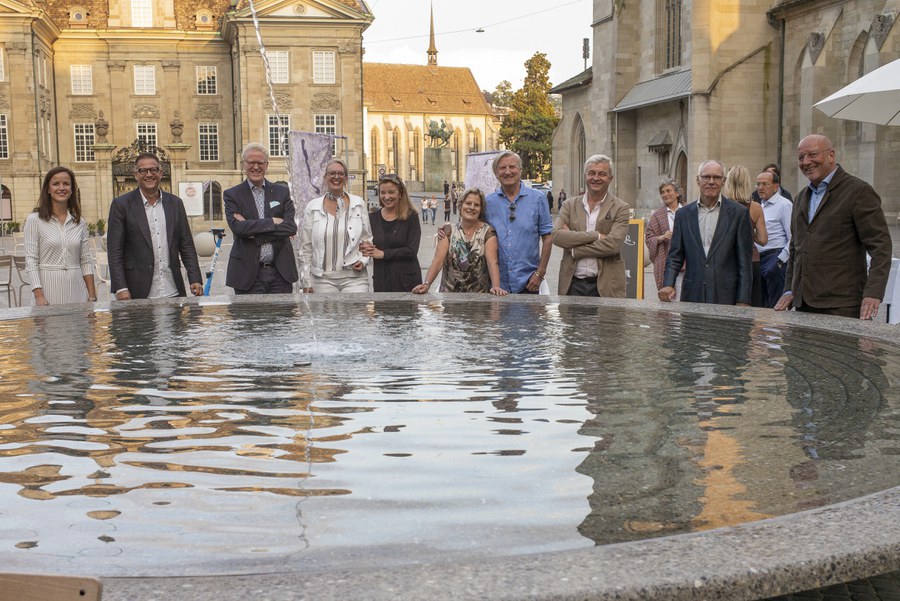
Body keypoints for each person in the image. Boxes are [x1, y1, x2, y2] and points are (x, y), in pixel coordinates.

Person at [775, 134, 892, 320]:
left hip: (842, 305)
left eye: (813, 154)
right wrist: (789, 289)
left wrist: (873, 292)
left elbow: (881, 247)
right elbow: (795, 249)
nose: (806, 162)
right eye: (801, 157)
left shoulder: (858, 191)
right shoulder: (800, 198)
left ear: (831, 155)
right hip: (803, 303)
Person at [107, 153, 203, 300]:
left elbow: (186, 244)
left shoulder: (175, 203)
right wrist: (120, 287)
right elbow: (115, 251)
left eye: (153, 170)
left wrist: (195, 278)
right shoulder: (121, 205)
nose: (149, 174)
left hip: (172, 290)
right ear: (135, 175)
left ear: (160, 173)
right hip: (136, 292)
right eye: (143, 170)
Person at [659, 160, 753, 305]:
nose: (711, 181)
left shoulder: (739, 213)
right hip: (692, 293)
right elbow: (675, 256)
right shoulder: (683, 215)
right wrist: (668, 284)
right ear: (698, 180)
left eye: (716, 177)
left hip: (727, 295)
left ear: (724, 181)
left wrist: (743, 299)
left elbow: (745, 263)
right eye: (706, 177)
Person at [224, 143, 298, 294]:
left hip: (280, 272)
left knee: (282, 317)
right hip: (247, 273)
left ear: (267, 165)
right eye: (251, 162)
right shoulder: (232, 195)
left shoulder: (282, 192)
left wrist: (252, 230)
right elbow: (238, 228)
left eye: (260, 163)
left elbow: (290, 227)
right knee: (250, 317)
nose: (256, 167)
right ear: (243, 164)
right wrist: (272, 222)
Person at [552, 154, 630, 297]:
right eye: (591, 173)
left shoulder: (621, 208)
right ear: (585, 176)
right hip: (572, 284)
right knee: (570, 320)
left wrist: (576, 249)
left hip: (606, 286)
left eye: (602, 174)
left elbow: (613, 245)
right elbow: (556, 236)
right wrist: (596, 236)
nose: (596, 178)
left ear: (610, 179)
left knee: (608, 320)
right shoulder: (569, 205)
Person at [24, 166, 97, 305]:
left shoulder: (79, 222)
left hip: (77, 290)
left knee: (79, 326)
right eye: (56, 183)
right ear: (48, 189)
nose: (61, 187)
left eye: (66, 184)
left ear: (71, 190)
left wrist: (92, 296)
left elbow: (86, 260)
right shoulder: (34, 220)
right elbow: (31, 260)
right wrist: (38, 295)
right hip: (48, 290)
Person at [413, 188, 506, 295]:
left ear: (481, 209)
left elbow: (492, 262)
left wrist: (496, 287)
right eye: (468, 203)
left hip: (479, 300)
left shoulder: (488, 232)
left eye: (476, 205)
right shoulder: (448, 231)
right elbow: (438, 261)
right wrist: (426, 284)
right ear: (460, 205)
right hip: (450, 298)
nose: (471, 207)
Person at [299, 157, 372, 292]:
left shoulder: (358, 204)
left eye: (341, 174)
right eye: (332, 173)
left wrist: (363, 260)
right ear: (325, 177)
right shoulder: (313, 207)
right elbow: (305, 248)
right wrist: (306, 281)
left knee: (357, 313)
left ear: (346, 178)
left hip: (354, 278)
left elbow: (367, 239)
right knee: (325, 313)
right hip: (321, 279)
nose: (336, 177)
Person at [485, 151, 553, 293]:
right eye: (502, 168)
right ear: (496, 173)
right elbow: (473, 228)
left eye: (512, 167)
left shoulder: (538, 199)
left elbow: (547, 238)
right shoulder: (488, 202)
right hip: (496, 283)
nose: (508, 172)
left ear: (520, 171)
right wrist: (447, 228)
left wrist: (540, 274)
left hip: (528, 282)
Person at [361, 174, 422, 292]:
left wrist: (383, 254)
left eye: (391, 192)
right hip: (381, 280)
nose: (386, 196)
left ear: (400, 194)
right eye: (382, 192)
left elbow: (412, 250)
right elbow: (366, 244)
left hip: (407, 281)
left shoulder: (411, 216)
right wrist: (365, 249)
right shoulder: (372, 218)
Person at [723, 165, 768, 307]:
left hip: (727, 262)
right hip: (751, 261)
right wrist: (749, 231)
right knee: (750, 309)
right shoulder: (755, 207)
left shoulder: (723, 207)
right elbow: (763, 240)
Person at [755, 170, 793, 307]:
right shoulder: (760, 206)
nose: (760, 188)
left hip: (775, 258)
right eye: (758, 184)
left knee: (776, 306)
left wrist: (780, 260)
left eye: (765, 184)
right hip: (760, 259)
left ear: (776, 187)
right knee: (762, 306)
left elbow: (793, 237)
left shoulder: (784, 205)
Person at [645, 179, 684, 292]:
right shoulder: (657, 216)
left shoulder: (688, 211)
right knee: (668, 296)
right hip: (666, 262)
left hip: (687, 262)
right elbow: (648, 238)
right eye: (662, 192)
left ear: (677, 193)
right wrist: (661, 237)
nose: (665, 194)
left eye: (668, 191)